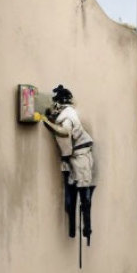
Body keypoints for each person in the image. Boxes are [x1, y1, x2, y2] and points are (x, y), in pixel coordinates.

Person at [38, 84, 95, 244]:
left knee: (83, 195)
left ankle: (86, 230)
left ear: (59, 103)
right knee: (71, 196)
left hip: (80, 157)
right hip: (72, 159)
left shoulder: (68, 116)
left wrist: (47, 123)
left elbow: (65, 131)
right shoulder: (63, 114)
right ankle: (73, 230)